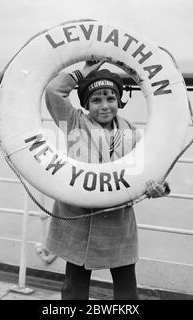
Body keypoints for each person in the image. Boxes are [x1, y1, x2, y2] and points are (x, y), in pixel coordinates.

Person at [44, 60, 170, 300]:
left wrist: (158, 187)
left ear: (119, 101)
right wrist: (86, 70)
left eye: (110, 98)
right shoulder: (74, 122)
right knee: (74, 287)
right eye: (96, 100)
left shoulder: (132, 131)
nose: (104, 106)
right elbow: (53, 91)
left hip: (117, 219)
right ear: (85, 104)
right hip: (79, 218)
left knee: (126, 287)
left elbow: (150, 168)